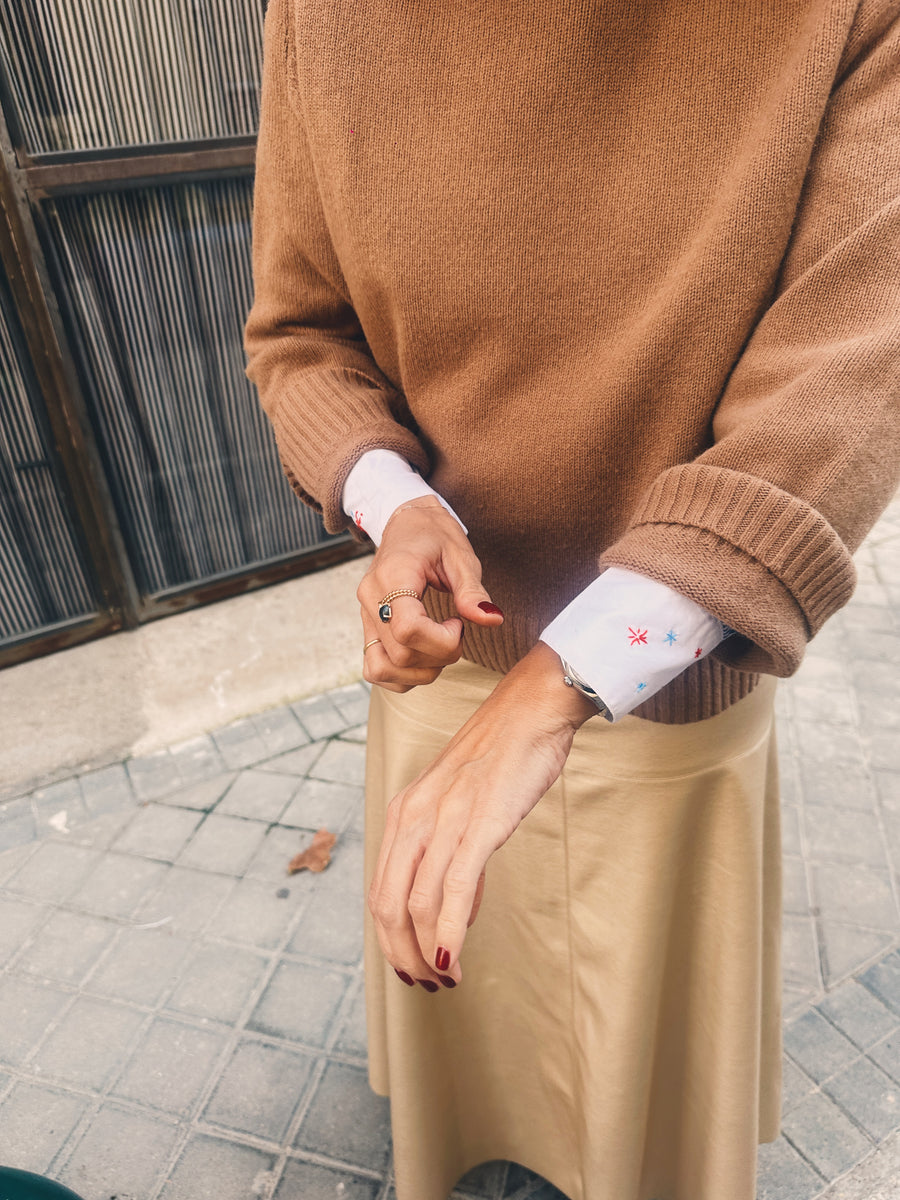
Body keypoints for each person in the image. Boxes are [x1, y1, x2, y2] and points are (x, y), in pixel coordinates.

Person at [244, 2, 900, 1197]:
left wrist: (561, 681)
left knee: (647, 1072)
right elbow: (298, 332)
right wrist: (397, 508)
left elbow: (848, 380)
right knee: (464, 984)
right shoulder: (321, 13)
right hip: (444, 665)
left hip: (671, 688)